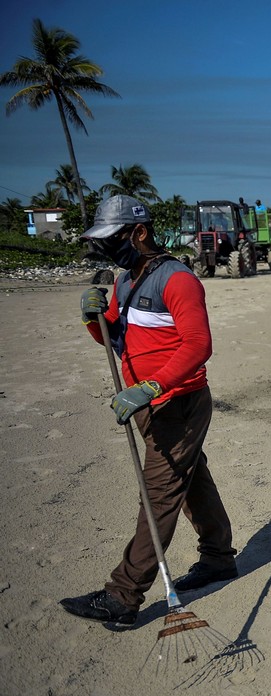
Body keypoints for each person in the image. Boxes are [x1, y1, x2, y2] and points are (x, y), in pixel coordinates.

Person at [61, 195, 238, 627]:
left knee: (158, 495)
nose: (106, 248)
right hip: (146, 404)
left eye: (112, 239)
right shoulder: (126, 281)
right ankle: (218, 558)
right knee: (190, 478)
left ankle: (122, 597)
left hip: (178, 403)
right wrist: (93, 319)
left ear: (139, 233)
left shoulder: (178, 280)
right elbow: (115, 339)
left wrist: (153, 386)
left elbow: (199, 346)